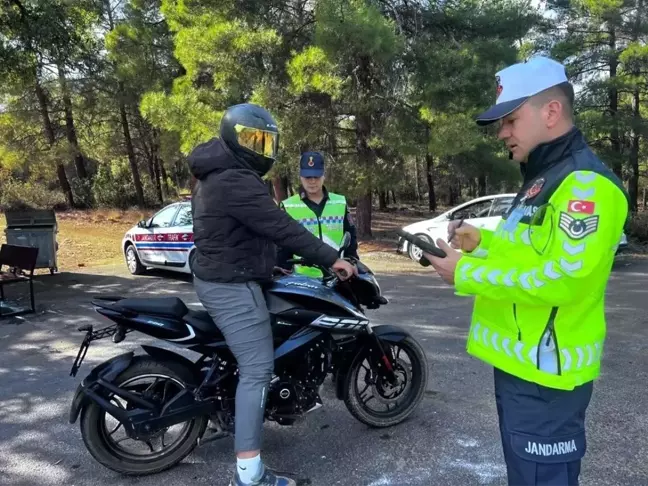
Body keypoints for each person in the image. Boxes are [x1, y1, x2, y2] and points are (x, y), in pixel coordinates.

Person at [422, 56, 629, 485]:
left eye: (511, 119)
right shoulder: (544, 178)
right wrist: (482, 243)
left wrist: (466, 274)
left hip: (547, 379)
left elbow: (564, 279)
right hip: (524, 370)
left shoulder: (586, 185)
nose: (502, 133)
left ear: (551, 112)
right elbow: (532, 253)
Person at [187, 103, 357, 486]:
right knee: (258, 368)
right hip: (231, 284)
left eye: (265, 141)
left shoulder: (219, 172)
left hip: (230, 273)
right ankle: (249, 475)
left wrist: (269, 268)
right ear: (233, 136)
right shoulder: (235, 178)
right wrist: (334, 259)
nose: (260, 148)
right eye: (252, 139)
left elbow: (243, 233)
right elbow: (282, 227)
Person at [276, 151, 359, 277]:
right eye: (308, 177)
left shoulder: (340, 203)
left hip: (337, 277)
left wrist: (352, 262)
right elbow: (282, 246)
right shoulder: (288, 206)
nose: (312, 181)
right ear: (300, 177)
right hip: (302, 280)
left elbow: (351, 238)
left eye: (317, 177)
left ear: (323, 176)